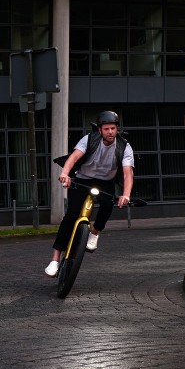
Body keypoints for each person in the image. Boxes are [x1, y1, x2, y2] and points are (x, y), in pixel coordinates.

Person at [45, 110, 135, 277]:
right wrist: (65, 173)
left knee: (108, 204)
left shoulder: (124, 146)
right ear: (100, 130)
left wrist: (126, 194)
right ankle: (55, 259)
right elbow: (73, 158)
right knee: (71, 216)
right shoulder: (89, 140)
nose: (110, 132)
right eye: (107, 129)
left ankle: (95, 233)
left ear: (117, 129)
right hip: (83, 179)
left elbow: (128, 173)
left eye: (113, 128)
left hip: (105, 182)